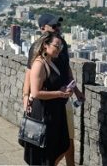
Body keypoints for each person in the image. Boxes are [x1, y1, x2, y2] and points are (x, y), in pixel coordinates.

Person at [22, 14, 85, 166]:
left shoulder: (61, 45)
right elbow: (29, 75)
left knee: (66, 142)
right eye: (54, 26)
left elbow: (66, 70)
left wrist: (76, 90)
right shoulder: (37, 49)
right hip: (49, 104)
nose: (58, 28)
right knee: (54, 144)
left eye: (59, 26)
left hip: (62, 100)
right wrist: (25, 97)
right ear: (43, 28)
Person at [24, 31, 72, 165]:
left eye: (61, 47)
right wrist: (59, 93)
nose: (59, 49)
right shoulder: (39, 64)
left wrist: (66, 89)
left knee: (59, 147)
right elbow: (36, 92)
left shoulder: (52, 61)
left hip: (55, 112)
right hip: (44, 114)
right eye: (56, 46)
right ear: (46, 45)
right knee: (44, 154)